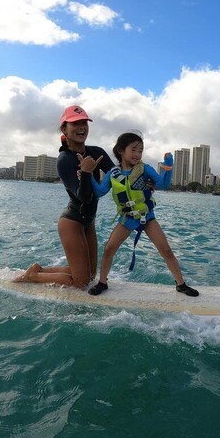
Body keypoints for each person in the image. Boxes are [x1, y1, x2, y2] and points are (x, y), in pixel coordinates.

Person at [13, 105, 115, 288]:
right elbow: (82, 197)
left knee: (91, 276)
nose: (81, 127)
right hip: (72, 222)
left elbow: (119, 176)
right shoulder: (65, 160)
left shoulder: (97, 152)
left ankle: (39, 270)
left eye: (84, 122)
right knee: (81, 283)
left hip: (88, 221)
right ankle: (32, 277)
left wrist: (145, 181)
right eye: (75, 123)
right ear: (64, 129)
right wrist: (85, 173)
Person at [87, 131, 199, 297]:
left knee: (166, 250)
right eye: (133, 150)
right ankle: (102, 283)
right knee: (109, 249)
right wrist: (88, 174)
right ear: (120, 150)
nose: (137, 154)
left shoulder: (145, 169)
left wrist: (168, 166)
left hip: (147, 217)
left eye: (140, 150)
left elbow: (163, 184)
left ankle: (181, 284)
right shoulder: (113, 174)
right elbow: (99, 192)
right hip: (127, 218)